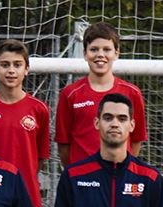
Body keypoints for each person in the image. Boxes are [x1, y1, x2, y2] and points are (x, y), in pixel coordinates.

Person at [55, 22, 147, 167]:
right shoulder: (70, 94)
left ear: (116, 53)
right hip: (82, 180)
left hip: (118, 177)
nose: (100, 55)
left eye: (106, 49)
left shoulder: (132, 93)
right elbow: (64, 144)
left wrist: (124, 169)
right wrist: (76, 173)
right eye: (94, 49)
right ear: (85, 54)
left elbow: (136, 139)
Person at [0, 39, 50, 207]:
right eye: (5, 65)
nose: (11, 70)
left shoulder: (39, 109)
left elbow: (39, 158)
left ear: (27, 69)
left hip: (26, 193)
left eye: (17, 65)